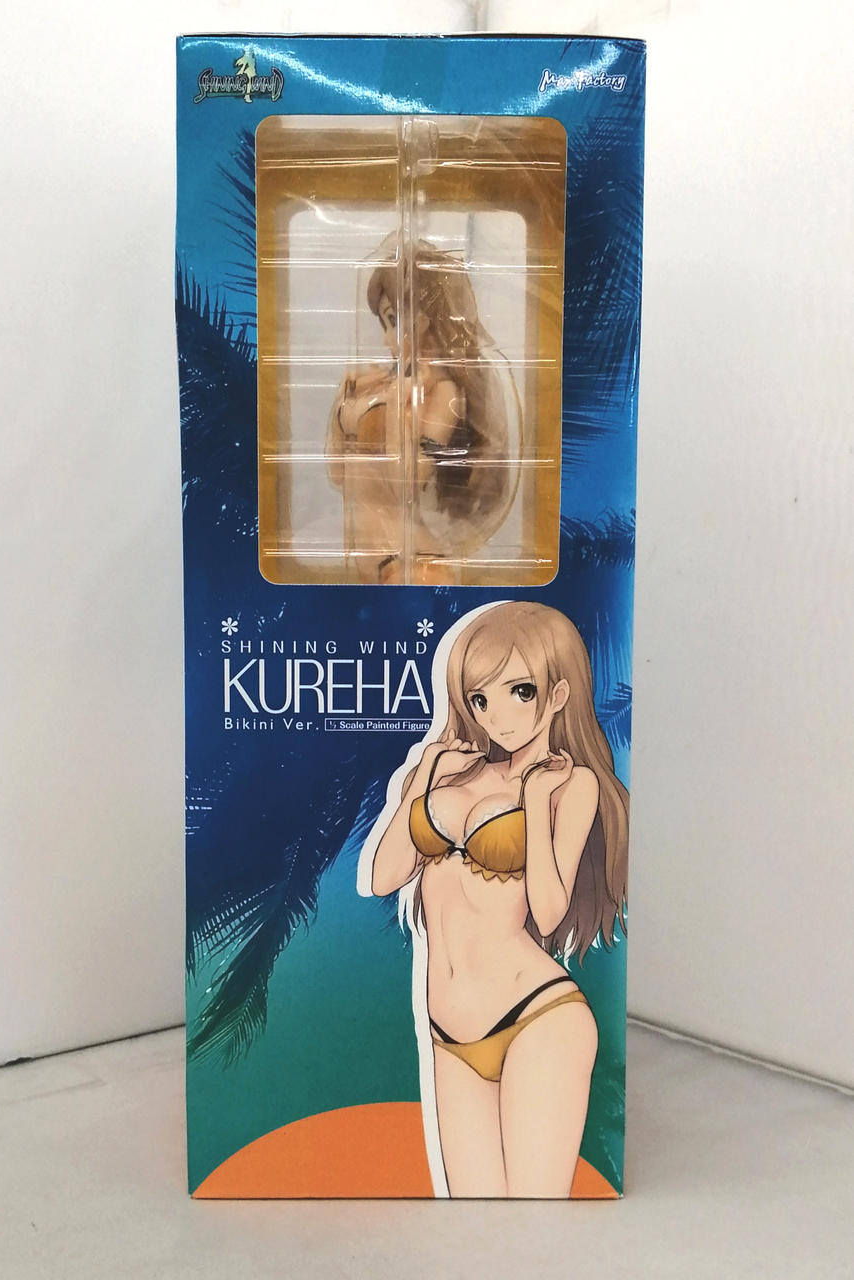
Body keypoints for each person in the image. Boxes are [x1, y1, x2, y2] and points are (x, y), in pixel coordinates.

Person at [366, 601, 629, 1197]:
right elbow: (384, 877)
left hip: (537, 1017)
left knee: (538, 1214)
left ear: (558, 694)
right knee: (476, 1219)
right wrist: (425, 772)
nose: (497, 716)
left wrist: (533, 802)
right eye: (481, 698)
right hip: (448, 1032)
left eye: (520, 691)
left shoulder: (572, 784)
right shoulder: (454, 772)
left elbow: (549, 910)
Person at [325, 238, 514, 584]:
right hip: (369, 556)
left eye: (394, 320)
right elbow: (338, 473)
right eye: (385, 323)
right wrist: (344, 404)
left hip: (410, 560)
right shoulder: (384, 384)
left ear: (426, 319)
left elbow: (406, 485)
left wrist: (396, 406)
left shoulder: (443, 393)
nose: (388, 340)